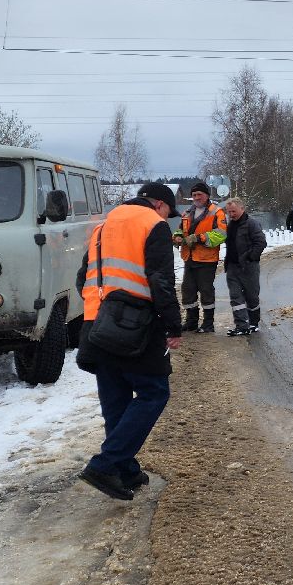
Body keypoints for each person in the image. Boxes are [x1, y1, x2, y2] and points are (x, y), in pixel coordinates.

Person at [75, 182, 184, 501]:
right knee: (154, 392)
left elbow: (83, 277)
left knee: (116, 396)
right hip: (135, 322)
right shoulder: (155, 225)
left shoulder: (104, 225)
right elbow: (161, 280)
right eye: (169, 211)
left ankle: (124, 469)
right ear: (161, 205)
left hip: (96, 322)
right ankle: (106, 464)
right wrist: (173, 325)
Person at [176, 181, 227, 333]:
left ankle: (208, 323)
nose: (197, 197)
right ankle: (191, 321)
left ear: (207, 196)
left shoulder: (217, 212)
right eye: (194, 195)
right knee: (188, 290)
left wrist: (199, 238)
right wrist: (177, 237)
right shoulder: (187, 213)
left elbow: (222, 234)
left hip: (206, 259)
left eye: (199, 194)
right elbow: (180, 230)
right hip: (189, 257)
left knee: (206, 290)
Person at [222, 198, 267, 336]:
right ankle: (241, 325)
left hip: (248, 267)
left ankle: (253, 323)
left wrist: (250, 257)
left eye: (233, 211)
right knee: (235, 297)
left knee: (251, 296)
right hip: (232, 267)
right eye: (229, 212)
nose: (231, 214)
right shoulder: (229, 226)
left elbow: (261, 242)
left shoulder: (252, 224)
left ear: (242, 208)